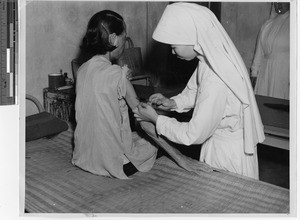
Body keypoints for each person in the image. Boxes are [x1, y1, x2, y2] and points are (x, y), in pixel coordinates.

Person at [133, 3, 265, 179]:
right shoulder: (209, 60)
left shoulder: (215, 77)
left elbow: (193, 134)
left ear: (191, 37)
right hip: (219, 144)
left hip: (226, 155)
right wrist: (174, 103)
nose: (172, 52)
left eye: (174, 46)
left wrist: (156, 119)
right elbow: (197, 91)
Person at [72, 10, 157, 179]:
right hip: (113, 163)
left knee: (132, 137)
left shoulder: (82, 70)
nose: (125, 44)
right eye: (124, 38)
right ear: (113, 39)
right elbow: (142, 116)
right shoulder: (117, 74)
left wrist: (122, 80)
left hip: (84, 157)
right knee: (154, 144)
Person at [250, 2, 290, 99]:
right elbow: (259, 53)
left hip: (284, 72)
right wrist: (254, 74)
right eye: (276, 2)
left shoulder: (294, 23)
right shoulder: (267, 25)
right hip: (266, 73)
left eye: (282, 1)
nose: (278, 5)